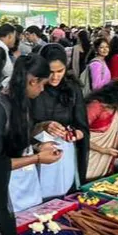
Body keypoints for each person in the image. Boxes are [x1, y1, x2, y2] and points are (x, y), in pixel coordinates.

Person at [0, 55, 60, 235]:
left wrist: (39, 144)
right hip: (2, 185)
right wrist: (37, 158)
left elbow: (19, 138)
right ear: (32, 81)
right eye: (42, 84)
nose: (42, 89)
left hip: (25, 182)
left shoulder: (22, 100)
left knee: (30, 229)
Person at [32, 44, 88, 199]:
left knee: (63, 193)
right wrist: (42, 128)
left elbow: (82, 126)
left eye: (60, 71)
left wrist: (75, 134)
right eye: (50, 72)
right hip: (37, 151)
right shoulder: (33, 88)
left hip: (65, 152)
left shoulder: (72, 89)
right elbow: (21, 125)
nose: (55, 77)